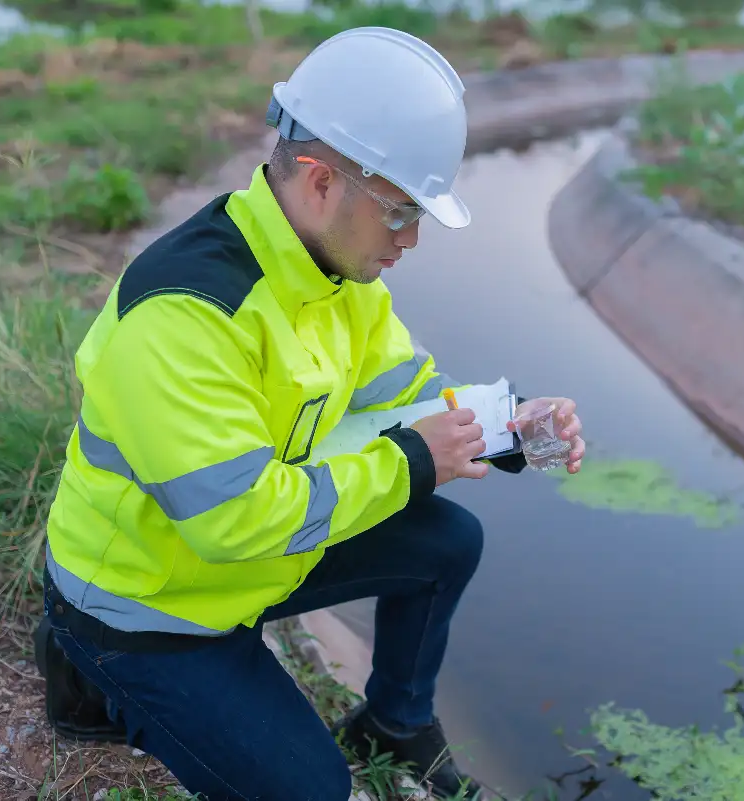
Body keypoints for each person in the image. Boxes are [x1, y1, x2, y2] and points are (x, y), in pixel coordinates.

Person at [32, 26, 586, 801]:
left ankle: (392, 721)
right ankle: (86, 670)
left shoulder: (337, 275)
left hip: (244, 566)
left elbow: (409, 390)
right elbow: (231, 519)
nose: (413, 238)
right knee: (312, 790)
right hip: (151, 606)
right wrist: (411, 461)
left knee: (447, 541)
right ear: (322, 182)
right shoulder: (187, 312)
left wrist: (511, 426)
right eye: (400, 212)